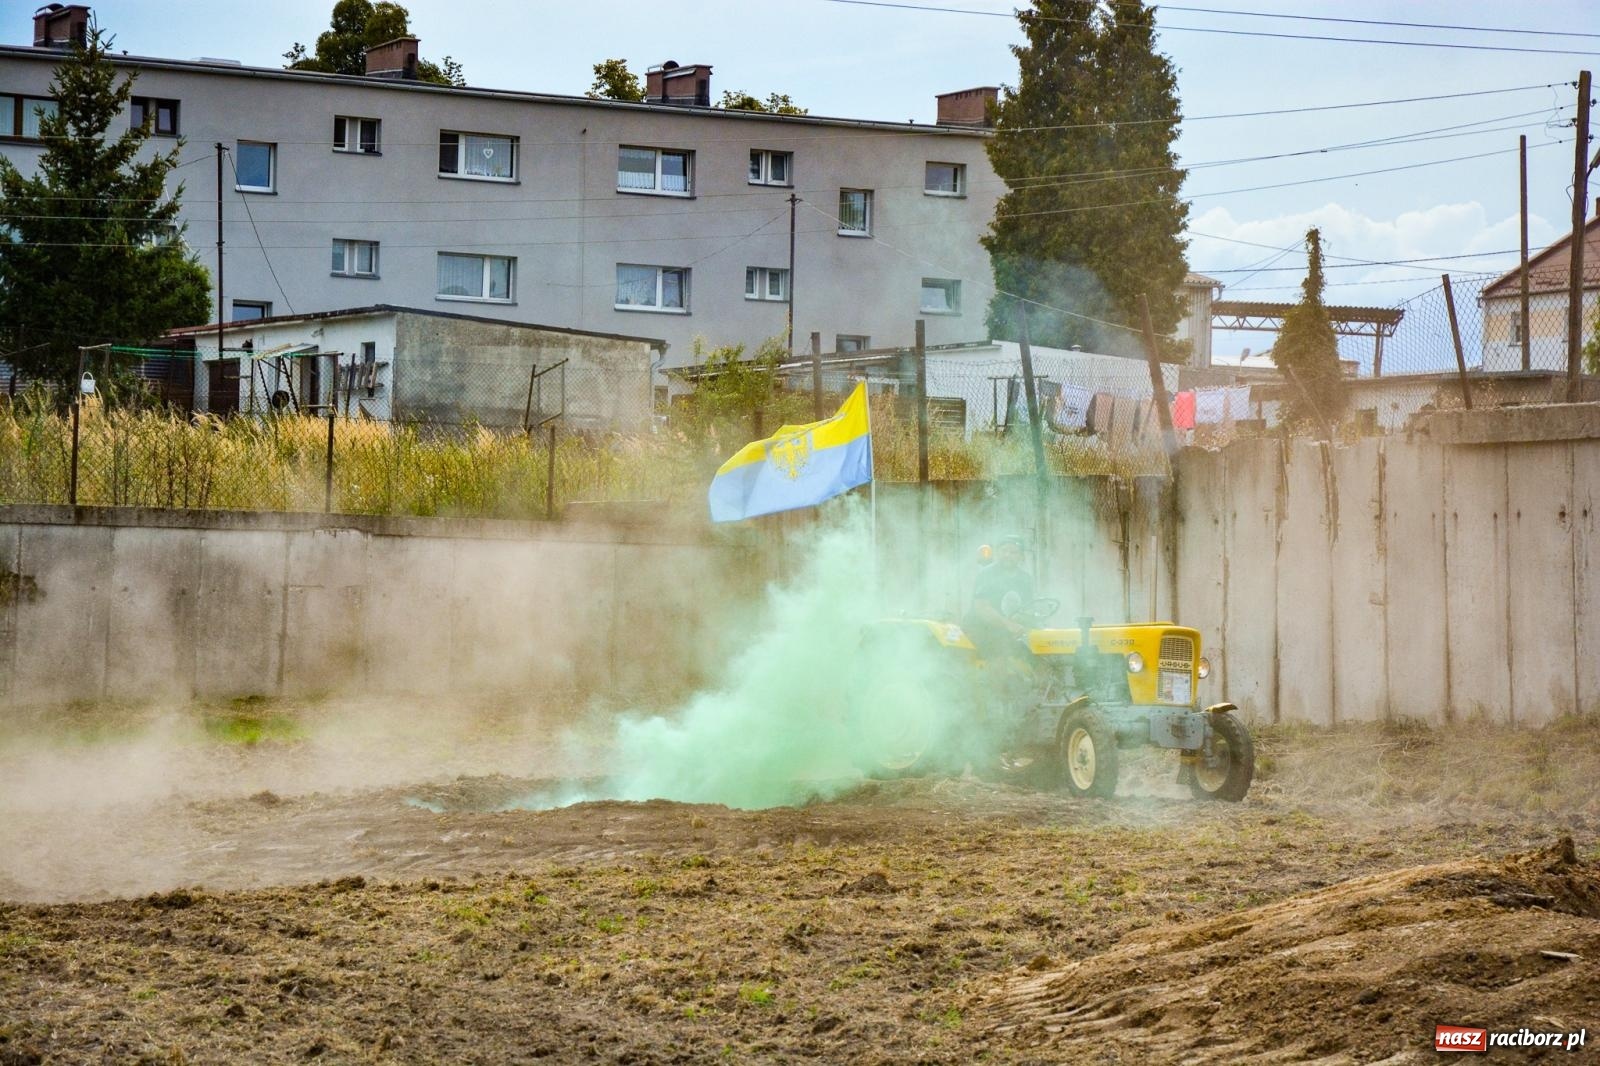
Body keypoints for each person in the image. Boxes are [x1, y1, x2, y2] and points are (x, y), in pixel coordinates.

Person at [964, 534, 1035, 662]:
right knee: (1001, 653)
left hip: (1011, 630)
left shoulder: (1025, 579)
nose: (1007, 555)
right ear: (998, 553)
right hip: (982, 629)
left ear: (1021, 556)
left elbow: (1028, 608)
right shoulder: (987, 574)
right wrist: (1009, 625)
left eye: (1013, 552)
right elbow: (982, 608)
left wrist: (1025, 621)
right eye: (1004, 551)